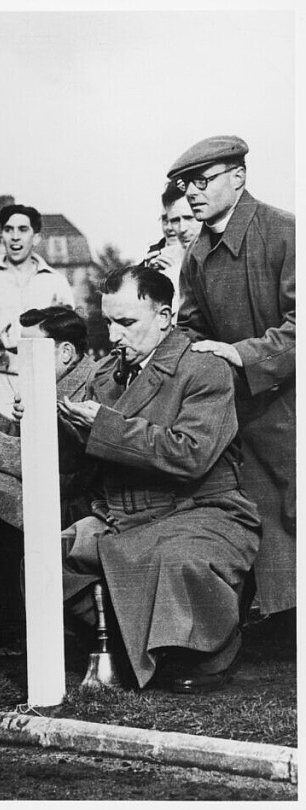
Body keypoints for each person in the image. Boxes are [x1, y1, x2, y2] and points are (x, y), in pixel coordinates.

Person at [57, 266, 259, 693]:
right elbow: (82, 460)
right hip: (125, 517)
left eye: (126, 322)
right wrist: (57, 422)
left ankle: (210, 650)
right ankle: (132, 640)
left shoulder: (204, 368)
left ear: (165, 317)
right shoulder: (105, 374)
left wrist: (104, 427)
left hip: (202, 511)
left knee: (176, 560)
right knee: (47, 557)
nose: (114, 336)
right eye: (108, 322)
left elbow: (191, 454)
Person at [166, 135, 295, 624]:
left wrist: (240, 354)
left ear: (239, 177)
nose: (192, 193)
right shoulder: (197, 253)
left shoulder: (285, 232)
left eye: (203, 181)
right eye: (186, 185)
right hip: (243, 414)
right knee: (265, 525)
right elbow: (191, 329)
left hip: (291, 408)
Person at [0, 305, 98, 654]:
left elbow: (64, 467)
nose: (20, 362)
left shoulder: (90, 386)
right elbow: (27, 440)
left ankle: (26, 634)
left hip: (79, 508)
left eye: (30, 351)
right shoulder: (53, 381)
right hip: (59, 504)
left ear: (65, 352)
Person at [0, 204, 74, 418]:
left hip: (43, 382)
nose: (15, 237)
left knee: (41, 439)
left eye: (23, 230)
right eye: (8, 230)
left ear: (36, 237)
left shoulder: (56, 282)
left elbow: (72, 338)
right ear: (2, 235)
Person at [143, 180, 201, 318]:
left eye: (189, 218)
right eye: (174, 220)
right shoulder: (160, 257)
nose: (182, 229)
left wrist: (177, 274)